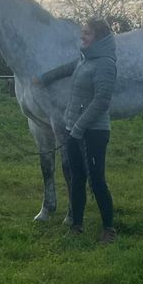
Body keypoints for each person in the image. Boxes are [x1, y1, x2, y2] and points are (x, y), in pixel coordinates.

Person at [36, 18, 117, 244]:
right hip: (75, 129)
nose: (82, 36)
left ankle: (109, 228)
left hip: (94, 132)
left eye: (87, 33)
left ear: (98, 37)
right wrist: (44, 77)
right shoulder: (85, 58)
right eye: (83, 32)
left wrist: (79, 128)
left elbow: (102, 101)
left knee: (97, 181)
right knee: (77, 178)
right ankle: (76, 225)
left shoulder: (106, 63)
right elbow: (69, 68)